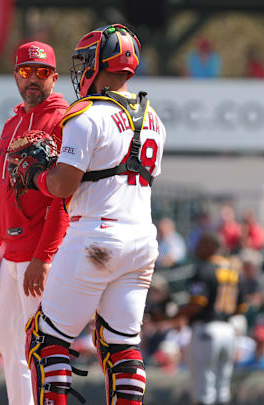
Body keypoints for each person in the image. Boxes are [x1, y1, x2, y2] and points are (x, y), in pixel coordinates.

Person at [22, 24, 165, 405]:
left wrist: (35, 173)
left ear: (99, 63)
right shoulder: (155, 120)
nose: (82, 67)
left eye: (86, 60)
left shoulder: (86, 114)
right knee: (123, 344)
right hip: (142, 241)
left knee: (46, 338)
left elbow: (63, 186)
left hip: (95, 237)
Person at [0, 40, 68, 405]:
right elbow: (1, 192)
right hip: (11, 254)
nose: (33, 79)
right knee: (8, 341)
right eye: (26, 71)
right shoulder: (12, 123)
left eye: (42, 72)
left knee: (42, 347)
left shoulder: (63, 119)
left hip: (41, 254)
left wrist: (44, 257)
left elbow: (63, 197)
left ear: (54, 78)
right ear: (15, 75)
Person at [167, 233, 247, 405]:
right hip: (229, 329)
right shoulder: (234, 271)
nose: (196, 249)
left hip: (207, 330)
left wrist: (175, 315)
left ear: (210, 246)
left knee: (204, 386)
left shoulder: (204, 269)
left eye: (200, 244)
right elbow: (241, 308)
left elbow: (197, 304)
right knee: (222, 387)